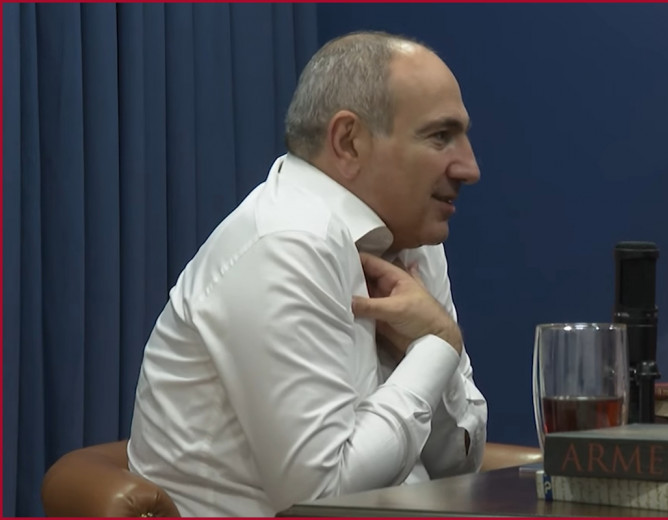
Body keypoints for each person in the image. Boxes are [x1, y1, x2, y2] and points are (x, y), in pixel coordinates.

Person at [127, 30, 487, 517]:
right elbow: (322, 499)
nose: (469, 167)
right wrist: (437, 346)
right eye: (440, 136)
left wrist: (428, 356)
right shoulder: (286, 241)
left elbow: (457, 466)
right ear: (349, 141)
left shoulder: (413, 240)